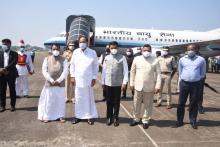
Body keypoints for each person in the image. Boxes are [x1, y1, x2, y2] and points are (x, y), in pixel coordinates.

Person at [130, 44, 161, 129]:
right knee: (136, 103)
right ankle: (136, 118)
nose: (146, 52)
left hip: (149, 86)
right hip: (138, 85)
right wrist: (131, 83)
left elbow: (158, 74)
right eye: (145, 50)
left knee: (148, 104)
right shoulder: (136, 59)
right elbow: (132, 72)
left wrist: (157, 86)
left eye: (148, 50)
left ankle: (145, 120)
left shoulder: (155, 60)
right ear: (142, 51)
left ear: (151, 51)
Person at [70, 36, 99, 125]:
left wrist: (94, 77)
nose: (82, 43)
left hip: (88, 79)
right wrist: (72, 76)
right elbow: (72, 65)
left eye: (83, 42)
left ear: (87, 42)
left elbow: (95, 66)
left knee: (88, 98)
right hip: (78, 79)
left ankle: (89, 116)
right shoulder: (75, 52)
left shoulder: (92, 52)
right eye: (80, 42)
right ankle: (78, 116)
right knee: (78, 98)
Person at [176, 44, 206, 129]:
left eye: (192, 49)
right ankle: (179, 120)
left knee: (193, 103)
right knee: (181, 103)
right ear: (186, 50)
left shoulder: (201, 60)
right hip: (184, 83)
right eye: (189, 49)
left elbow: (203, 72)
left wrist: (197, 78)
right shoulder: (182, 59)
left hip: (196, 84)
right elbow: (180, 71)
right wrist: (183, 79)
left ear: (196, 50)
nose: (190, 51)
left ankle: (193, 120)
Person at [38, 44, 68, 123]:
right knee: (49, 100)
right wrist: (51, 80)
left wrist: (58, 80)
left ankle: (60, 116)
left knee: (60, 100)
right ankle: (48, 116)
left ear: (59, 49)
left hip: (60, 84)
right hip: (49, 83)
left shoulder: (64, 59)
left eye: (57, 49)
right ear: (51, 50)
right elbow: (44, 71)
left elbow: (65, 71)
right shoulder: (47, 59)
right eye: (54, 49)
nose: (56, 51)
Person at [101, 41, 128, 126]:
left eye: (115, 48)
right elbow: (104, 71)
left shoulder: (122, 58)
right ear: (109, 48)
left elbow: (126, 71)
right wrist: (102, 81)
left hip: (118, 83)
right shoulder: (106, 57)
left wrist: (124, 83)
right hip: (108, 83)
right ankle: (109, 117)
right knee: (108, 101)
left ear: (118, 48)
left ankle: (116, 117)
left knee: (116, 101)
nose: (113, 49)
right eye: (112, 48)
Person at [0, 39, 18, 112]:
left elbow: (14, 63)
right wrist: (1, 70)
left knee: (12, 90)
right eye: (3, 44)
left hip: (11, 74)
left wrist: (4, 69)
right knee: (1, 91)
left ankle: (12, 106)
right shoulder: (0, 53)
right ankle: (2, 106)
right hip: (1, 74)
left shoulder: (14, 54)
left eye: (5, 44)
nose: (4, 46)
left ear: (10, 45)